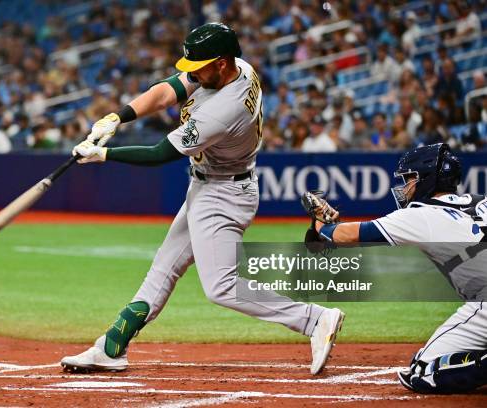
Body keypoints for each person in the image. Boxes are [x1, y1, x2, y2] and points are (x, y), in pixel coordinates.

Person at [60, 22, 344, 376]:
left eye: (199, 66)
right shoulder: (239, 69)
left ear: (222, 63)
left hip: (224, 194)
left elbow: (159, 154)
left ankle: (314, 319)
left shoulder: (222, 111)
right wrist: (119, 116)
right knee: (163, 269)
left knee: (221, 286)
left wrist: (103, 155)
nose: (192, 73)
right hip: (209, 185)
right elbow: (168, 90)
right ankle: (111, 348)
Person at [305, 143, 487, 393]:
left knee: (423, 372)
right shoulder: (481, 201)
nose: (406, 186)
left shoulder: (421, 214)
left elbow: (350, 235)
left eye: (410, 178)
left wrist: (322, 226)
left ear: (427, 179)